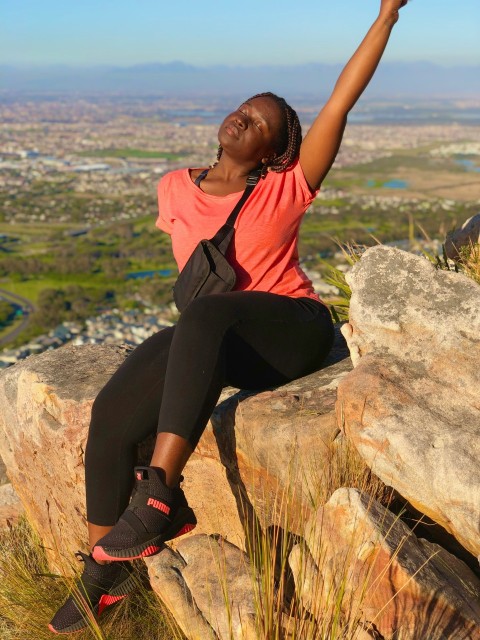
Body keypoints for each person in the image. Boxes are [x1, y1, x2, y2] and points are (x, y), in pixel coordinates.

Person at [49, 0, 408, 633]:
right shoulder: (172, 187)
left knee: (206, 318)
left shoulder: (285, 186)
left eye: (260, 122)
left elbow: (339, 102)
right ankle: (104, 583)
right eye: (244, 108)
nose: (244, 118)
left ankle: (158, 494)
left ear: (275, 152)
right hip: (214, 335)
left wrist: (385, 14)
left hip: (290, 331)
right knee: (110, 417)